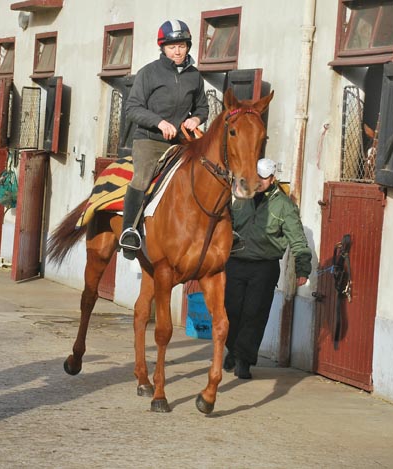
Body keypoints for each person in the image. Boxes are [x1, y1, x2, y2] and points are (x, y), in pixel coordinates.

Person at [119, 19, 209, 260]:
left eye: (181, 46)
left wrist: (196, 120)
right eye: (172, 47)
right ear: (163, 48)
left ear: (188, 46)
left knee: (210, 172)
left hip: (181, 142)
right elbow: (132, 108)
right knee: (143, 177)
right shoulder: (148, 73)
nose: (177, 51)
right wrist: (159, 122)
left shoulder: (195, 76)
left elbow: (203, 108)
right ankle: (129, 232)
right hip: (150, 140)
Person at [224, 158, 312, 379]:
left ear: (272, 178)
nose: (259, 181)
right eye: (257, 176)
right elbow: (225, 225)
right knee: (230, 310)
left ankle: (244, 360)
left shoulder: (284, 205)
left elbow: (298, 240)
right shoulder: (240, 197)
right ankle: (232, 351)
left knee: (254, 314)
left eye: (264, 177)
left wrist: (303, 269)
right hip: (235, 261)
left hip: (264, 266)